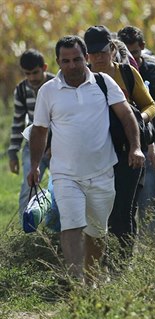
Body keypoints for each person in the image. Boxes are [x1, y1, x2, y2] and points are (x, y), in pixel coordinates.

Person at [27, 35, 144, 281]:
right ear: (58, 62)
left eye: (77, 59)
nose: (72, 65)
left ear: (86, 58)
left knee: (97, 232)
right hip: (65, 174)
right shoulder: (48, 92)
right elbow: (39, 129)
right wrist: (35, 165)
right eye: (65, 61)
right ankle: (76, 282)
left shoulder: (104, 83)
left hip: (102, 172)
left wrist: (136, 147)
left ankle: (91, 278)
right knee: (71, 225)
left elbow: (126, 116)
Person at [85, 25, 155, 258]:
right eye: (93, 52)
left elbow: (150, 105)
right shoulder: (81, 78)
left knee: (123, 211)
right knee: (96, 212)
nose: (98, 57)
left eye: (103, 51)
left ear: (113, 48)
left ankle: (121, 265)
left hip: (128, 152)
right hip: (94, 155)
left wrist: (139, 119)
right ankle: (99, 262)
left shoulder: (126, 73)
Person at [117, 25, 155, 242]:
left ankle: (150, 256)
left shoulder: (154, 71)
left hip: (152, 143)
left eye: (134, 52)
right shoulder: (118, 73)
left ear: (142, 47)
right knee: (127, 204)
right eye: (126, 52)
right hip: (126, 147)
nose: (131, 57)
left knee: (148, 203)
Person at [8, 49, 55, 219]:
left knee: (61, 187)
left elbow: (63, 120)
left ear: (44, 67)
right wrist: (13, 152)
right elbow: (18, 122)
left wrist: (54, 146)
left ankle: (60, 230)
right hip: (32, 144)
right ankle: (26, 231)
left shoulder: (56, 84)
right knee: (28, 189)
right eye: (27, 74)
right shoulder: (21, 90)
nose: (32, 78)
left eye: (35, 73)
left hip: (58, 145)